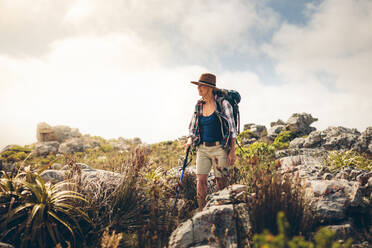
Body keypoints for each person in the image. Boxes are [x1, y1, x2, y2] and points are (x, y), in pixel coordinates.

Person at [185, 73, 237, 211]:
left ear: (209, 88)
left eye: (201, 86)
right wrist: (190, 140)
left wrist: (232, 152)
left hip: (219, 148)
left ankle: (224, 211)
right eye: (198, 86)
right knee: (200, 181)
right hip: (202, 148)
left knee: (221, 182)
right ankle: (202, 212)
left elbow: (232, 130)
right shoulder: (199, 105)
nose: (199, 88)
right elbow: (192, 126)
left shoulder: (223, 104)